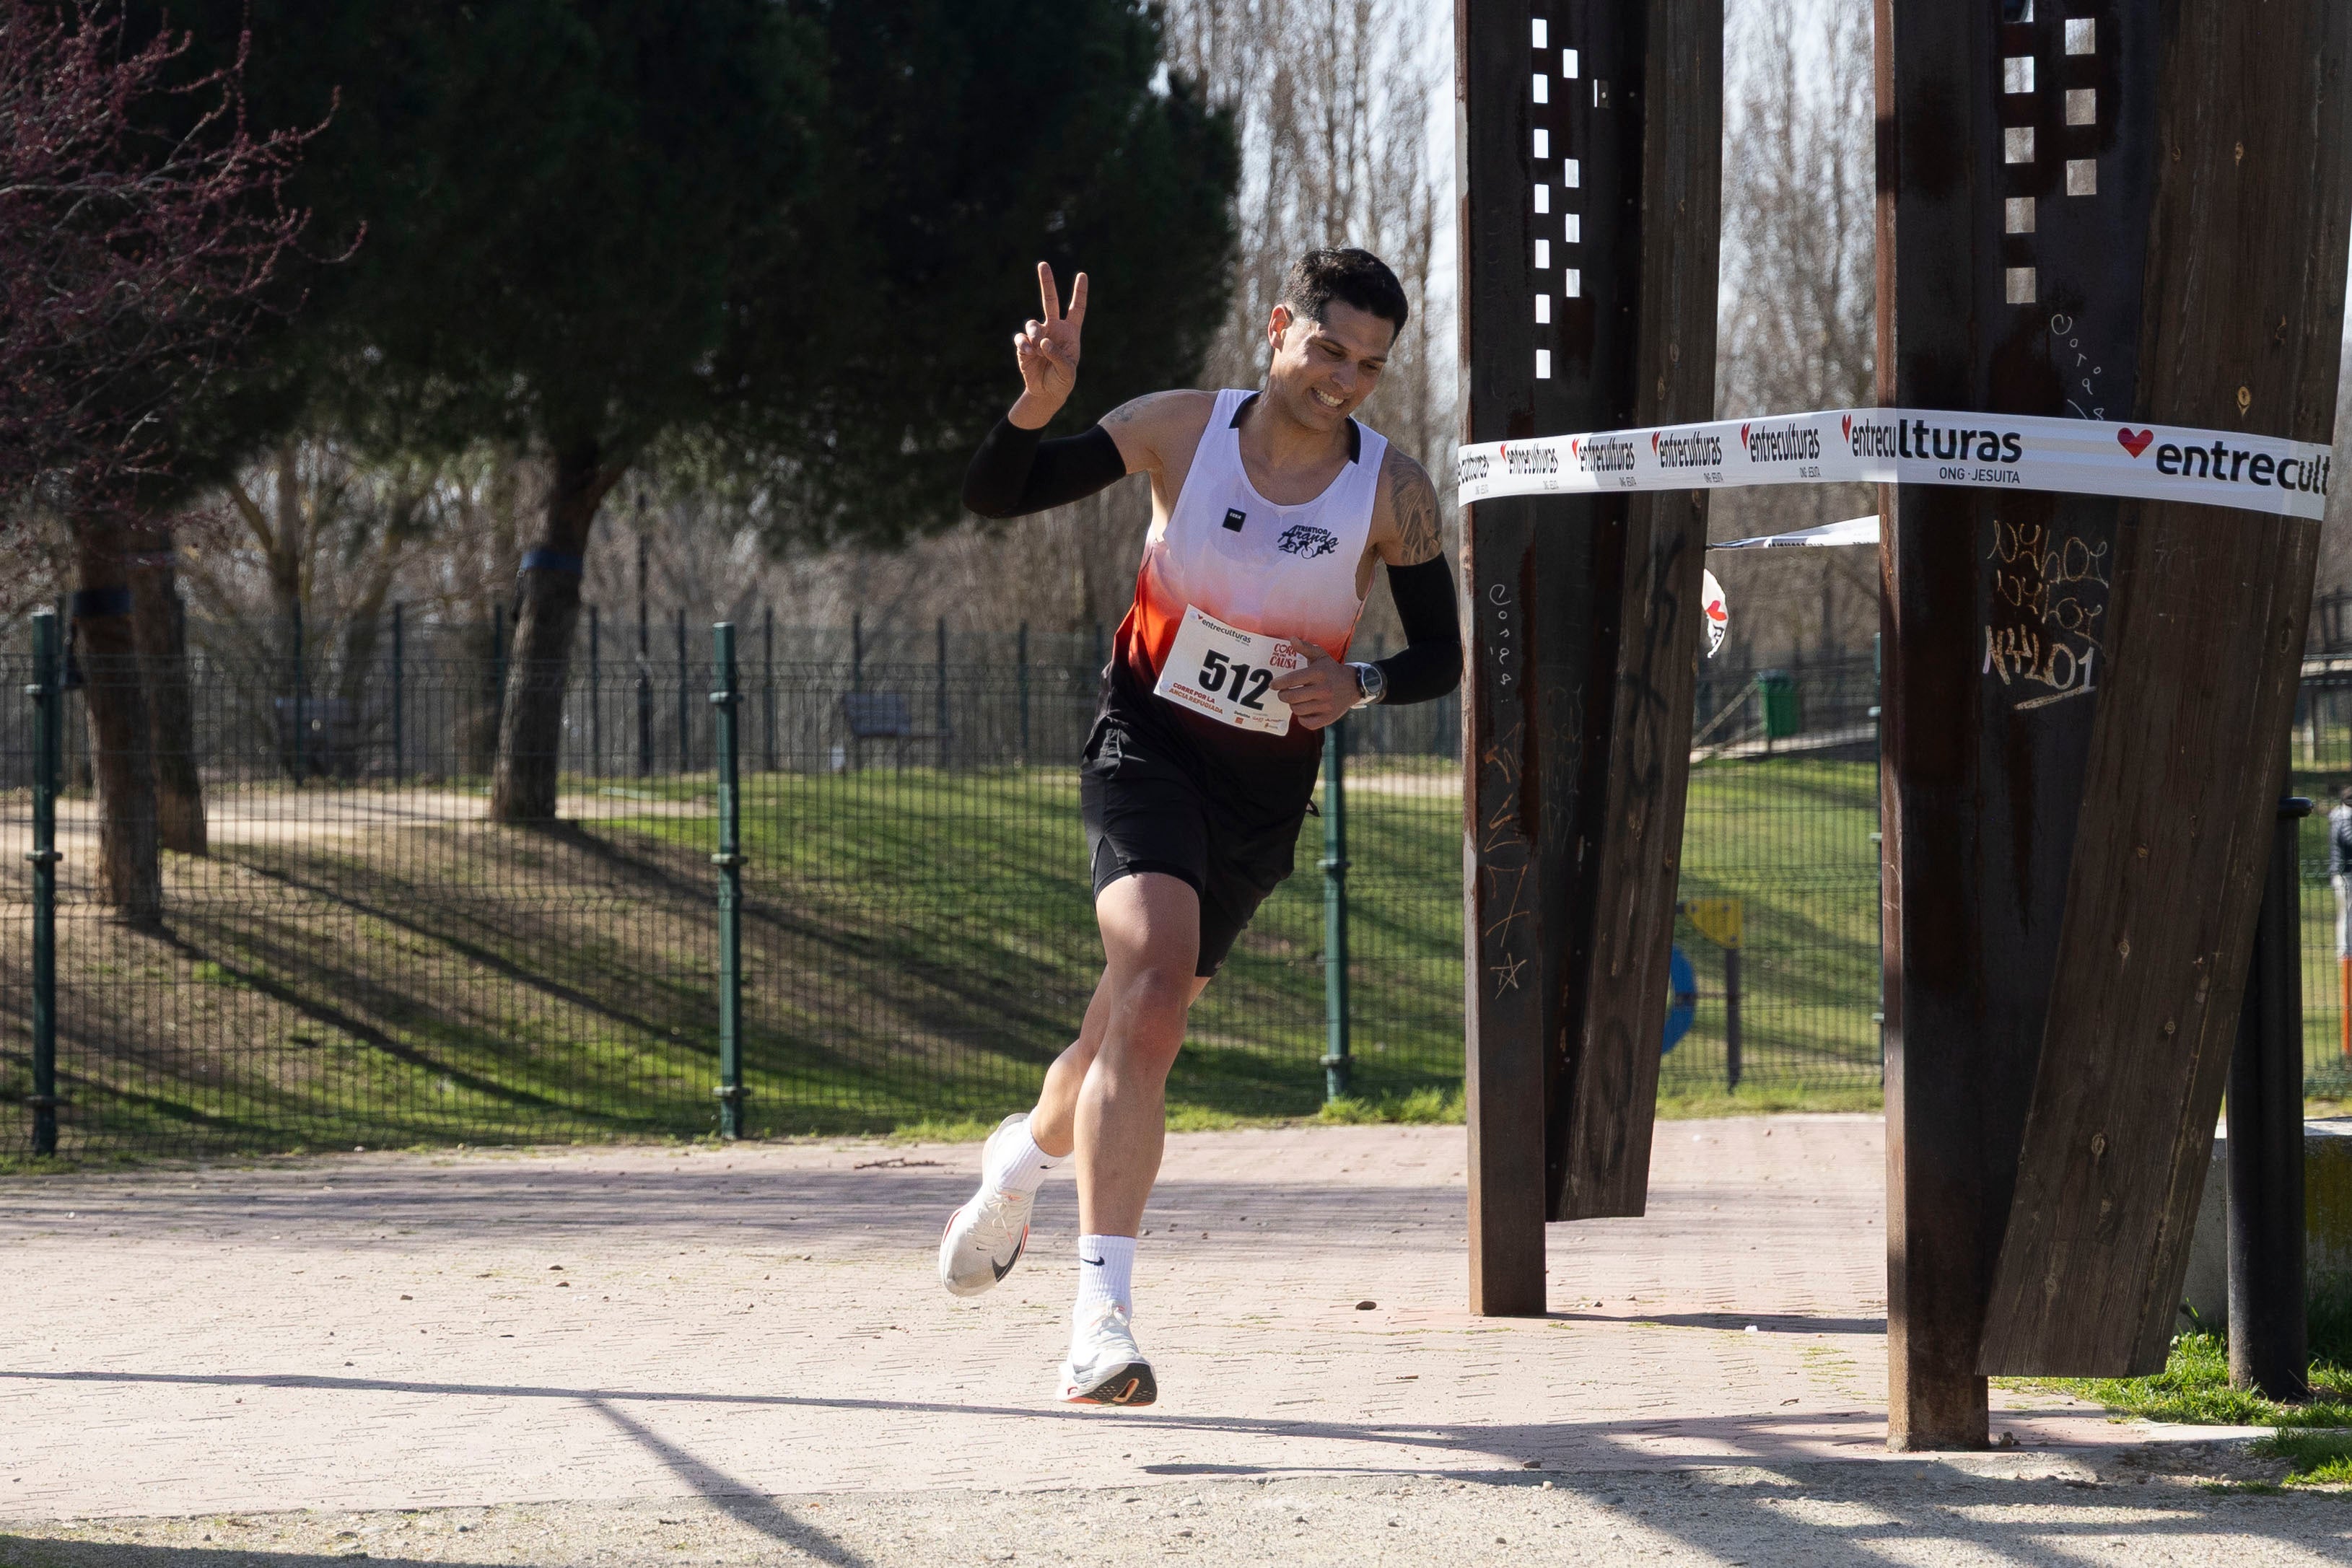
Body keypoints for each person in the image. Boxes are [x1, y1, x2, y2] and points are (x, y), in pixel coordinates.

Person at [941, 248, 1462, 1406]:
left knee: (1138, 1021)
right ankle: (1100, 1318)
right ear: (1280, 326)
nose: (1343, 379)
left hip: (1262, 796)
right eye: (1327, 348)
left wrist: (1361, 684)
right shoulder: (1177, 428)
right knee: (1156, 973)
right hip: (1147, 744)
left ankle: (1022, 1161)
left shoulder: (1393, 491)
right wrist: (1033, 410)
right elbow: (998, 493)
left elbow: (1443, 652)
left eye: (1369, 366)